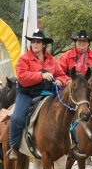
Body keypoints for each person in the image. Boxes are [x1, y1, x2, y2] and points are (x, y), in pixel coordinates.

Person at [7, 29, 70, 160]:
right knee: (17, 118)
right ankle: (14, 147)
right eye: (33, 41)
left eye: (38, 42)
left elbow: (63, 76)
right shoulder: (24, 59)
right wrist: (41, 75)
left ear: (43, 45)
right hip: (27, 94)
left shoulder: (52, 60)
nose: (35, 44)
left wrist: (60, 80)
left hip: (48, 94)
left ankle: (72, 145)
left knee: (69, 112)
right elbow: (23, 77)